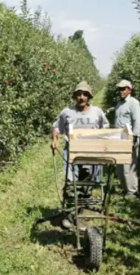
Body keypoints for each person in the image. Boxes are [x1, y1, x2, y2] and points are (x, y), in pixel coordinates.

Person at [51, 81, 109, 228]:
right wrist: (55, 138)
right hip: (72, 153)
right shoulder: (67, 112)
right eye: (79, 94)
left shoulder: (97, 112)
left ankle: (80, 214)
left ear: (89, 96)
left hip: (91, 154)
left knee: (86, 185)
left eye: (84, 94)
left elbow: (105, 128)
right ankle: (69, 215)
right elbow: (57, 127)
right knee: (71, 185)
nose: (81, 97)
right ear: (75, 96)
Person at [114, 79, 140, 198]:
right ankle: (126, 188)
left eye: (123, 89)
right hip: (119, 137)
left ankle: (132, 191)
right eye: (119, 89)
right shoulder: (119, 104)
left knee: (128, 165)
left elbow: (137, 121)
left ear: (129, 90)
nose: (121, 91)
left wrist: (134, 137)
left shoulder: (133, 103)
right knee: (120, 165)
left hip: (129, 137)